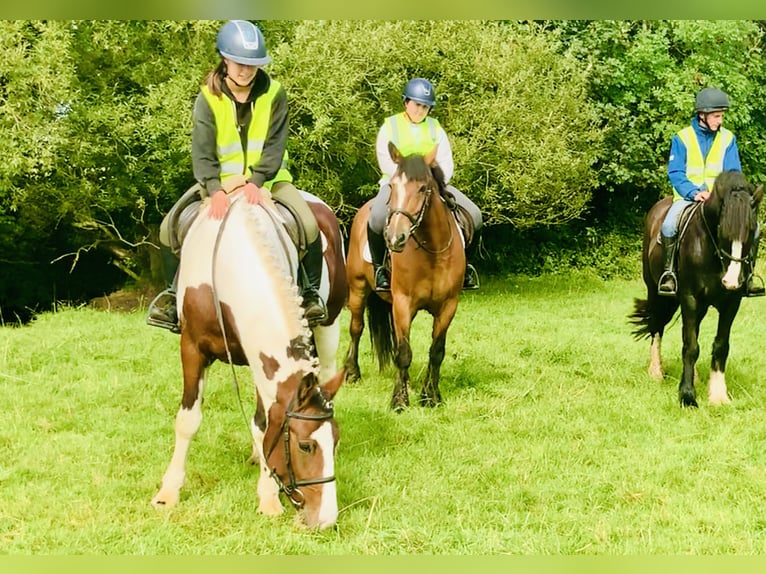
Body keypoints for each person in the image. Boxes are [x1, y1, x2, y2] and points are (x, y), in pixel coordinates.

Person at [147, 20, 328, 332]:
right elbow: (202, 151)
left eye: (253, 64)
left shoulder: (274, 94)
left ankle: (309, 294)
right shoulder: (208, 97)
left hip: (269, 180)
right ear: (224, 59)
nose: (246, 70)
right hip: (221, 182)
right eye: (240, 63)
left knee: (308, 224)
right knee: (168, 228)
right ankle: (172, 296)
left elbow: (275, 143)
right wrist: (215, 189)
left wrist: (257, 182)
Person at [368, 77, 483, 291]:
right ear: (406, 102)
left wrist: (435, 184)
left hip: (432, 186)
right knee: (375, 219)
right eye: (417, 104)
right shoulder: (390, 126)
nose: (421, 110)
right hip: (398, 185)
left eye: (425, 107)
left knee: (475, 215)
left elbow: (446, 162)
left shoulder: (435, 128)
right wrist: (407, 184)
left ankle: (467, 268)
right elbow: (386, 159)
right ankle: (380, 270)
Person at [658, 86, 764, 297]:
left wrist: (729, 196)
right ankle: (669, 273)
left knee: (756, 228)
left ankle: (749, 275)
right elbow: (676, 172)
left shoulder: (728, 139)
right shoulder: (682, 138)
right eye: (716, 116)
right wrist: (694, 192)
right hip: (688, 198)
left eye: (721, 116)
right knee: (669, 226)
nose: (720, 121)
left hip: (721, 201)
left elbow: (734, 172)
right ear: (702, 115)